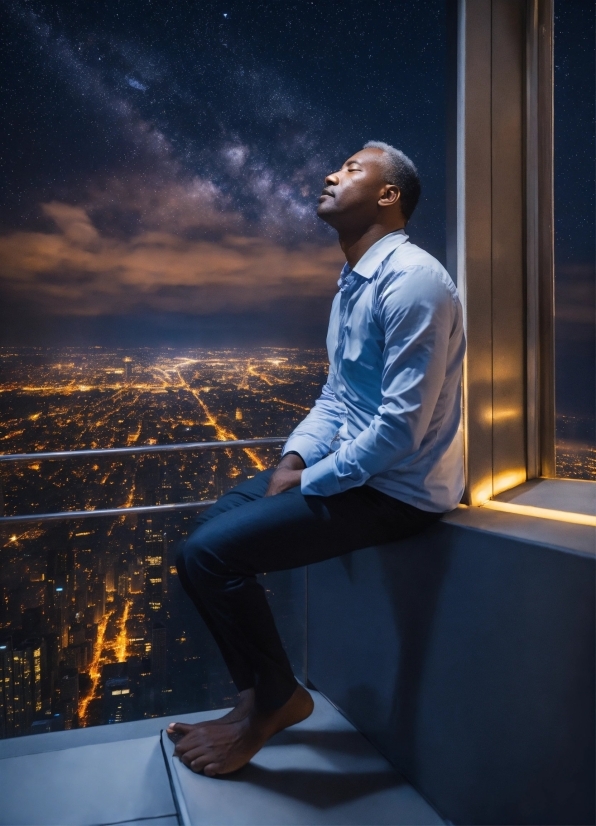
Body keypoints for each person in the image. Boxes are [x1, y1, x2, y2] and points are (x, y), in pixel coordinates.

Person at [167, 141, 466, 776]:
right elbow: (338, 395)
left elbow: (400, 430)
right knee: (207, 530)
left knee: (210, 555)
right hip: (357, 472)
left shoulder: (414, 282)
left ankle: (277, 704)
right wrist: (294, 458)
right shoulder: (353, 284)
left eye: (352, 168)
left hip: (397, 492)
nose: (332, 174)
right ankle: (260, 701)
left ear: (390, 197)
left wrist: (319, 478)